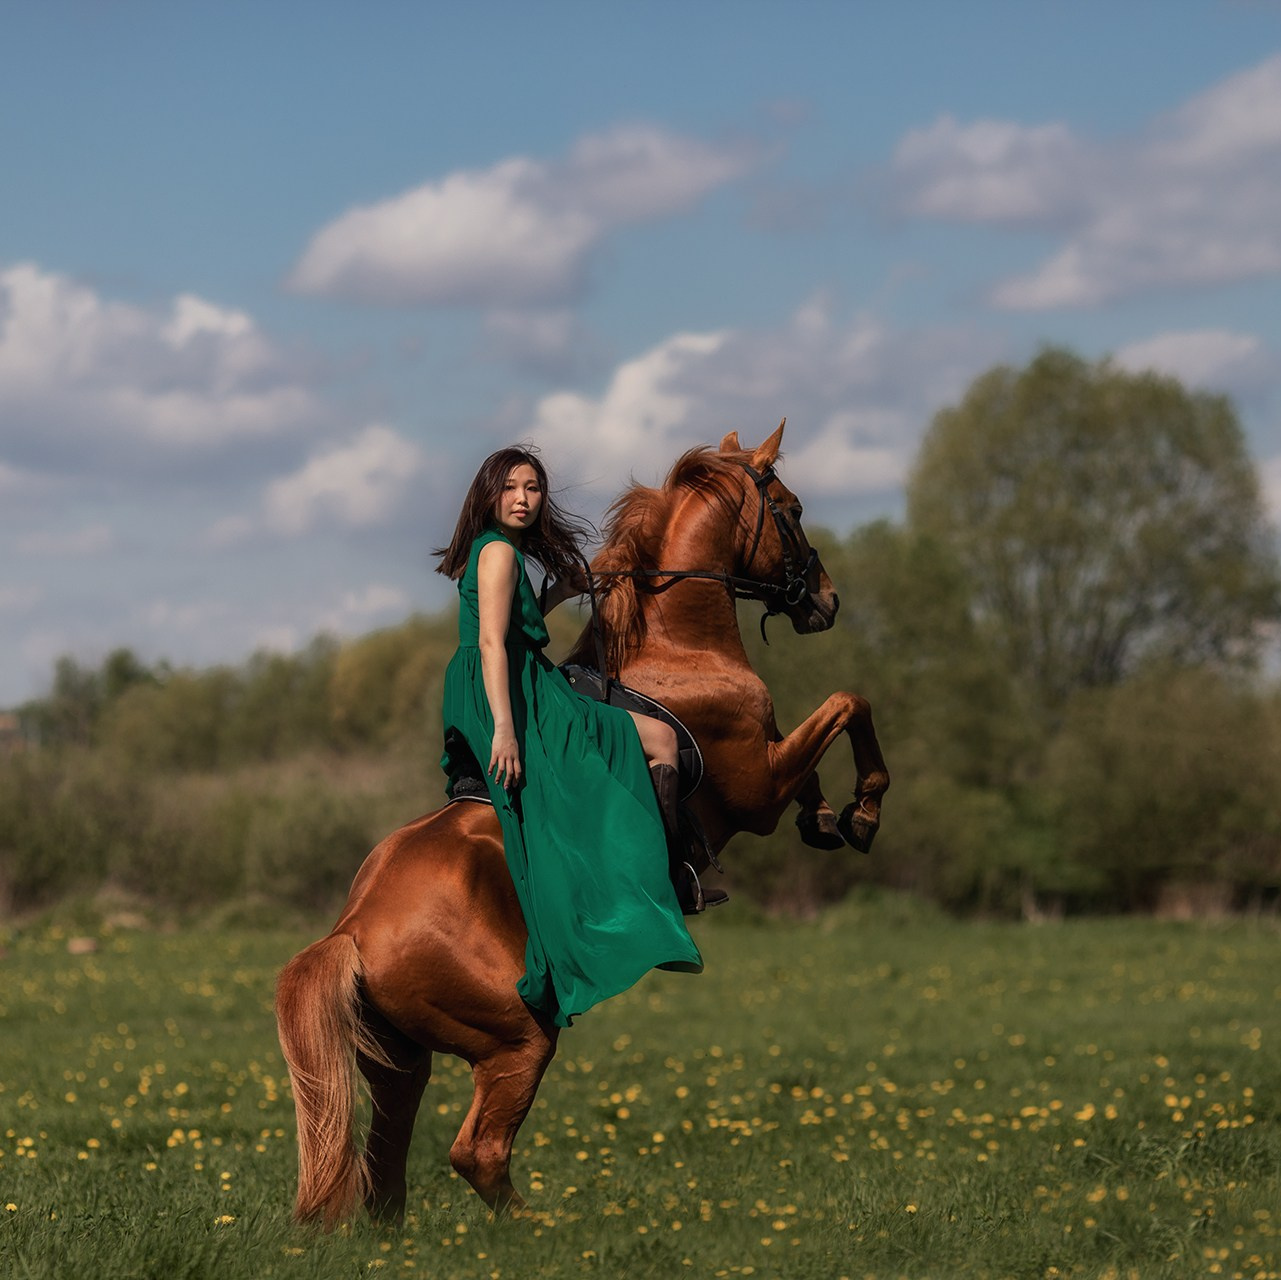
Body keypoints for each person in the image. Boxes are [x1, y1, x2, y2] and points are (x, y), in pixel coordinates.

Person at [435, 445, 703, 1028]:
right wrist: (505, 730)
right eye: (511, 488)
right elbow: (492, 643)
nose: (523, 499)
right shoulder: (499, 552)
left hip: (502, 682)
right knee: (660, 740)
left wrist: (559, 593)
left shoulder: (493, 550)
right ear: (488, 494)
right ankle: (666, 882)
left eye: (532, 489)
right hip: (512, 690)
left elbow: (510, 628)